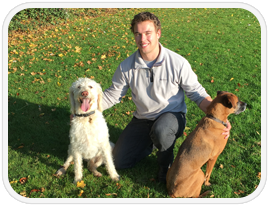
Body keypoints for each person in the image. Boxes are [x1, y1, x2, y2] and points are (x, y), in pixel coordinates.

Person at [103, 12, 231, 183]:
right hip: (143, 119)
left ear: (158, 33)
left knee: (162, 130)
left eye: (148, 33)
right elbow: (112, 95)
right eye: (138, 34)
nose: (143, 39)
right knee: (118, 162)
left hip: (172, 117)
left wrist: (219, 119)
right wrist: (85, 109)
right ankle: (149, 143)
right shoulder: (127, 66)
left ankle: (165, 165)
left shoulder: (177, 63)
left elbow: (196, 93)